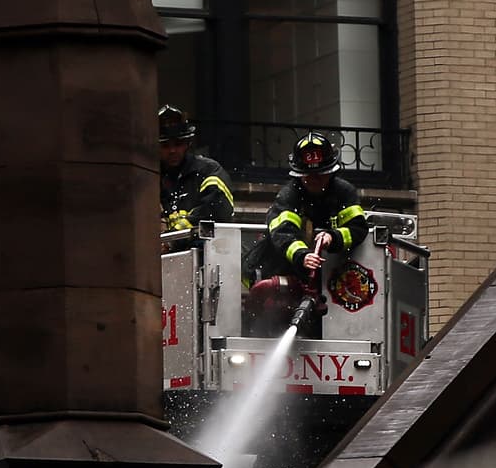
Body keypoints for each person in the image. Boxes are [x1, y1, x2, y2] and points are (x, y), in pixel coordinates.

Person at [245, 132, 369, 334]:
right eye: (308, 176)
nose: (314, 180)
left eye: (320, 174)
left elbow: (358, 227)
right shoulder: (289, 196)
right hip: (286, 276)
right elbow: (282, 233)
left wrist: (333, 237)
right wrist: (302, 256)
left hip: (333, 285)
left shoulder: (344, 192)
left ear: (331, 172)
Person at [158, 104, 235, 233]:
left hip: (205, 250)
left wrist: (175, 236)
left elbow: (216, 208)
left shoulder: (208, 171)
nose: (172, 151)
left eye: (178, 144)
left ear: (188, 143)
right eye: (165, 145)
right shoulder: (150, 179)